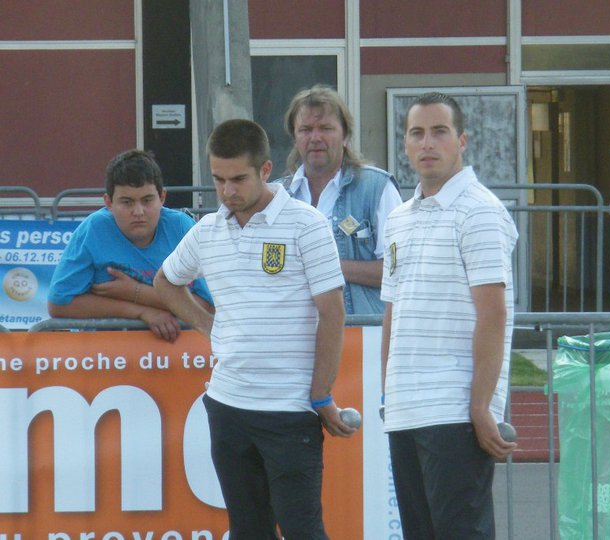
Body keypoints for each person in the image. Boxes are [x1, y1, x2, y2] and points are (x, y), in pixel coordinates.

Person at [153, 119, 354, 539]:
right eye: (218, 179)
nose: (227, 190)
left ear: (265, 170)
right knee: (248, 531)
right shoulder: (207, 230)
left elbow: (332, 313)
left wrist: (320, 394)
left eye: (238, 179)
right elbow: (165, 282)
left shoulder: (307, 224)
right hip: (227, 406)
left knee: (302, 530)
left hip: (289, 410)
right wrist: (209, 326)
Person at [380, 92, 519, 539]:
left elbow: (492, 314)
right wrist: (388, 394)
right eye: (416, 133)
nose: (427, 143)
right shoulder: (398, 218)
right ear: (405, 144)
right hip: (406, 408)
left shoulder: (480, 212)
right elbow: (393, 312)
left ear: (462, 141)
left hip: (454, 408)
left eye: (439, 132)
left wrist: (480, 406)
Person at [47, 149, 213, 342]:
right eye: (127, 202)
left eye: (147, 200)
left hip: (179, 353)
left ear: (162, 197)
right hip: (107, 353)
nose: (138, 211)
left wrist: (135, 292)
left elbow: (208, 307)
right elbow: (59, 304)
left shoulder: (183, 228)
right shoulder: (92, 230)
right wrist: (142, 312)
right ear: (108, 202)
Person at [278, 84, 402, 315]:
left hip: (358, 330)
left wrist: (324, 266)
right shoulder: (276, 197)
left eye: (326, 128)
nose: (315, 138)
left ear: (345, 136)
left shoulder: (377, 189)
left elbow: (399, 270)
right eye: (305, 130)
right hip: (291, 329)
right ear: (295, 138)